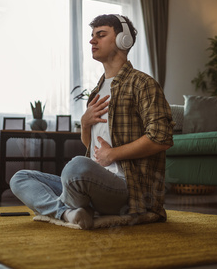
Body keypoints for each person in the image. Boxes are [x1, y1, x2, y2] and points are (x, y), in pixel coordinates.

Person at [10, 14, 174, 229]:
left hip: (128, 189)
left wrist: (113, 154)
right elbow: (92, 147)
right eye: (92, 35)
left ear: (124, 40)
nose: (92, 41)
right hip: (95, 183)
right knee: (21, 178)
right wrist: (85, 124)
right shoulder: (97, 90)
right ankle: (69, 213)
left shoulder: (142, 84)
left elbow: (162, 138)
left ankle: (63, 208)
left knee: (76, 166)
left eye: (101, 35)